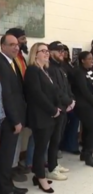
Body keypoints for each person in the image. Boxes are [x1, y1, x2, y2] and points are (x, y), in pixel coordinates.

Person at [24, 42, 64, 193]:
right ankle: (41, 178)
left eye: (47, 51)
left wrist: (58, 106)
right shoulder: (33, 70)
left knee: (42, 148)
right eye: (43, 51)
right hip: (40, 116)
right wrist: (53, 110)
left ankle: (37, 175)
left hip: (49, 115)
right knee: (40, 150)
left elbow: (52, 92)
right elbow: (37, 95)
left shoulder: (44, 71)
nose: (47, 53)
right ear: (35, 54)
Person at [0, 34, 27, 194]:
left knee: (7, 156)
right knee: (6, 156)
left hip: (11, 117)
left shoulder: (10, 62)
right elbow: (6, 95)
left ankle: (7, 185)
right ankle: (5, 188)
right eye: (11, 44)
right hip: (8, 119)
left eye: (17, 44)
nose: (16, 47)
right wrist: (15, 120)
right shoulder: (2, 64)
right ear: (2, 46)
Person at [71, 51, 93, 167]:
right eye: (89, 59)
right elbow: (84, 91)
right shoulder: (79, 73)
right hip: (84, 106)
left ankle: (85, 153)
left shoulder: (92, 72)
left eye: (92, 59)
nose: (92, 61)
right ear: (82, 60)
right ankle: (89, 156)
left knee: (89, 129)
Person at [5, 27, 29, 182]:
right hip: (10, 110)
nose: (22, 42)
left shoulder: (21, 57)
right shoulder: (7, 60)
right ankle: (10, 169)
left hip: (21, 104)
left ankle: (14, 164)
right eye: (21, 39)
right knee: (9, 142)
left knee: (18, 139)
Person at [47, 41, 73, 179]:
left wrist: (71, 99)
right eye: (59, 51)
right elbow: (55, 90)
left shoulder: (60, 67)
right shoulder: (50, 68)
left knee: (57, 139)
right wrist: (68, 101)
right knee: (53, 139)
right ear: (51, 52)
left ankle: (54, 164)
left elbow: (66, 87)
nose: (62, 54)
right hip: (56, 109)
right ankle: (51, 168)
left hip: (64, 108)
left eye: (63, 51)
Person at [60, 45, 80, 155]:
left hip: (72, 97)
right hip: (65, 99)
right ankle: (67, 145)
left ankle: (70, 144)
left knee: (73, 122)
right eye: (63, 51)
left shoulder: (69, 64)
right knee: (68, 122)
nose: (65, 53)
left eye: (66, 51)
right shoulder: (61, 65)